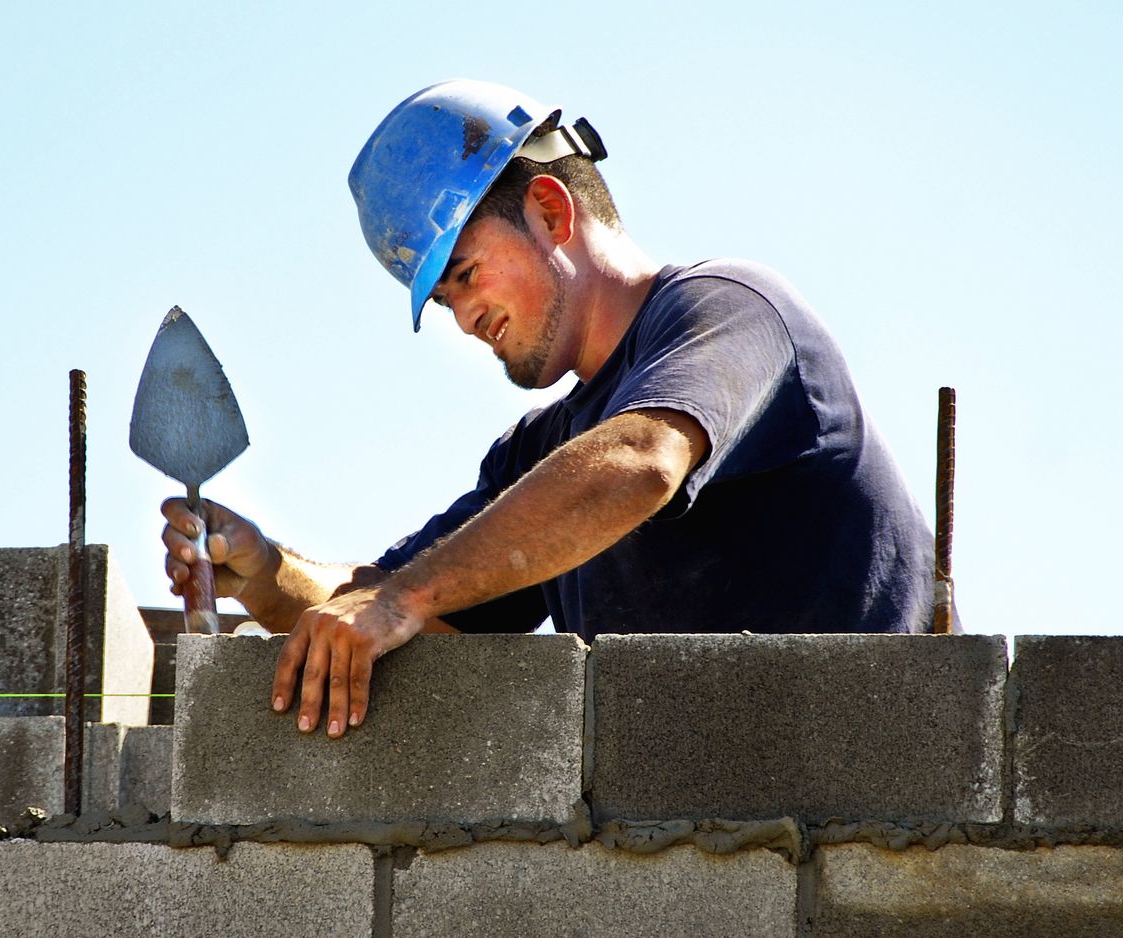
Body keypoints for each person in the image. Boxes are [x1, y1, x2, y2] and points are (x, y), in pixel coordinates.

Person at [161, 79, 936, 740]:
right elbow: (399, 610)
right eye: (442, 300)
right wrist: (264, 573)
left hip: (871, 789)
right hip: (693, 847)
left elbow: (639, 463)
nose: (463, 319)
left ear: (550, 210)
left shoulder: (730, 309)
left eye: (464, 275)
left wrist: (398, 598)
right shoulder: (540, 460)